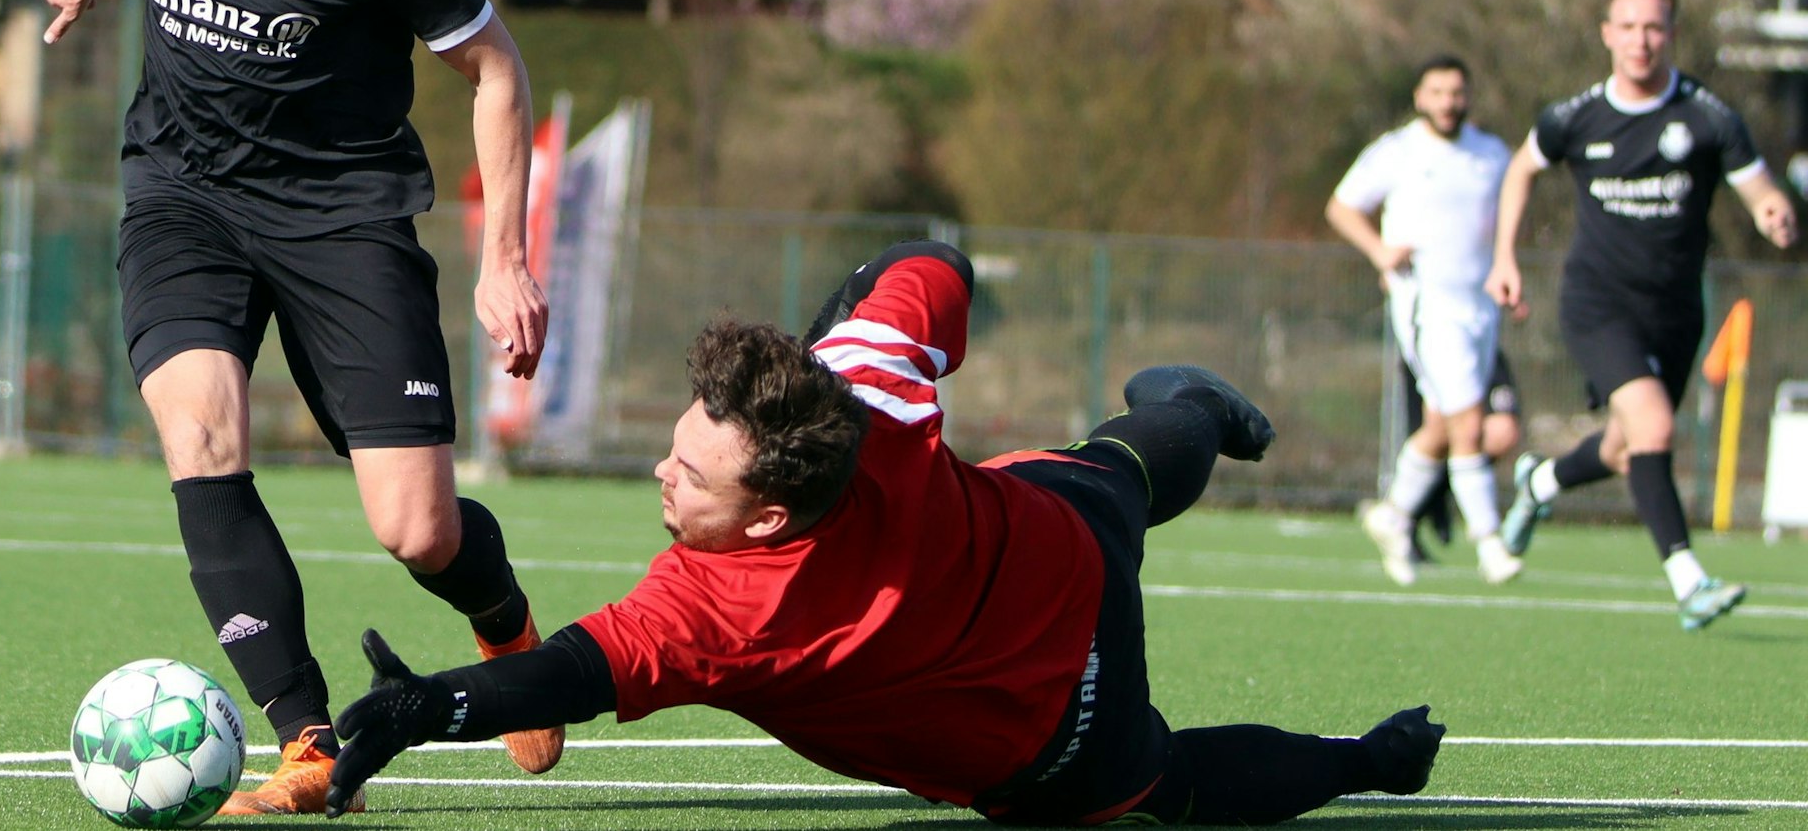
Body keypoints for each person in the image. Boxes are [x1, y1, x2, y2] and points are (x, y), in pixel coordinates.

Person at [320, 240, 1447, 825]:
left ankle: (1371, 764)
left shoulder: (722, 611)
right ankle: (1203, 408)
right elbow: (932, 266)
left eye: (691, 472)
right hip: (1057, 538)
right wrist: (834, 335)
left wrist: (430, 706)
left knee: (1161, 786)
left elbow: (566, 674)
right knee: (1122, 468)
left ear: (765, 514)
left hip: (1049, 733)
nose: (662, 470)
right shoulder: (861, 390)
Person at [41, 0, 561, 812]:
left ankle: (503, 618)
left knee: (415, 527)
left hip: (343, 215)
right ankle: (309, 739)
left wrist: (503, 259)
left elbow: (497, 70)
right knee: (200, 431)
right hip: (183, 192)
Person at [1486, 0, 1798, 631]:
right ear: (1605, 34)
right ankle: (1688, 581)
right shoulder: (1574, 117)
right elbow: (1520, 169)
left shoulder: (1708, 116)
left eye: (1652, 27)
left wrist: (1771, 209)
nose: (1639, 40)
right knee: (1654, 430)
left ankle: (1540, 483)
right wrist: (1504, 256)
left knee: (1630, 445)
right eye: (1626, 27)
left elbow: (1755, 182)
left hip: (1676, 311)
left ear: (1671, 34)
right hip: (1597, 303)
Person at [1326, 56, 1522, 586]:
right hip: (1425, 303)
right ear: (1420, 97)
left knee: (1441, 425)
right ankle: (1490, 542)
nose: (1447, 102)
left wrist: (1508, 272)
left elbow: (1504, 222)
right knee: (1469, 421)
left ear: (1468, 97)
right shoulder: (1398, 152)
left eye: (1456, 92)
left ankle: (1394, 513)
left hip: (1479, 306)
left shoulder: (1491, 154)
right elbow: (1342, 207)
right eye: (1437, 92)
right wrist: (1379, 250)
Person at [1400, 351, 1523, 564]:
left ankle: (1433, 498)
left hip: (1480, 336)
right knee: (1443, 433)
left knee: (1502, 432)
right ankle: (1488, 542)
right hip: (1439, 338)